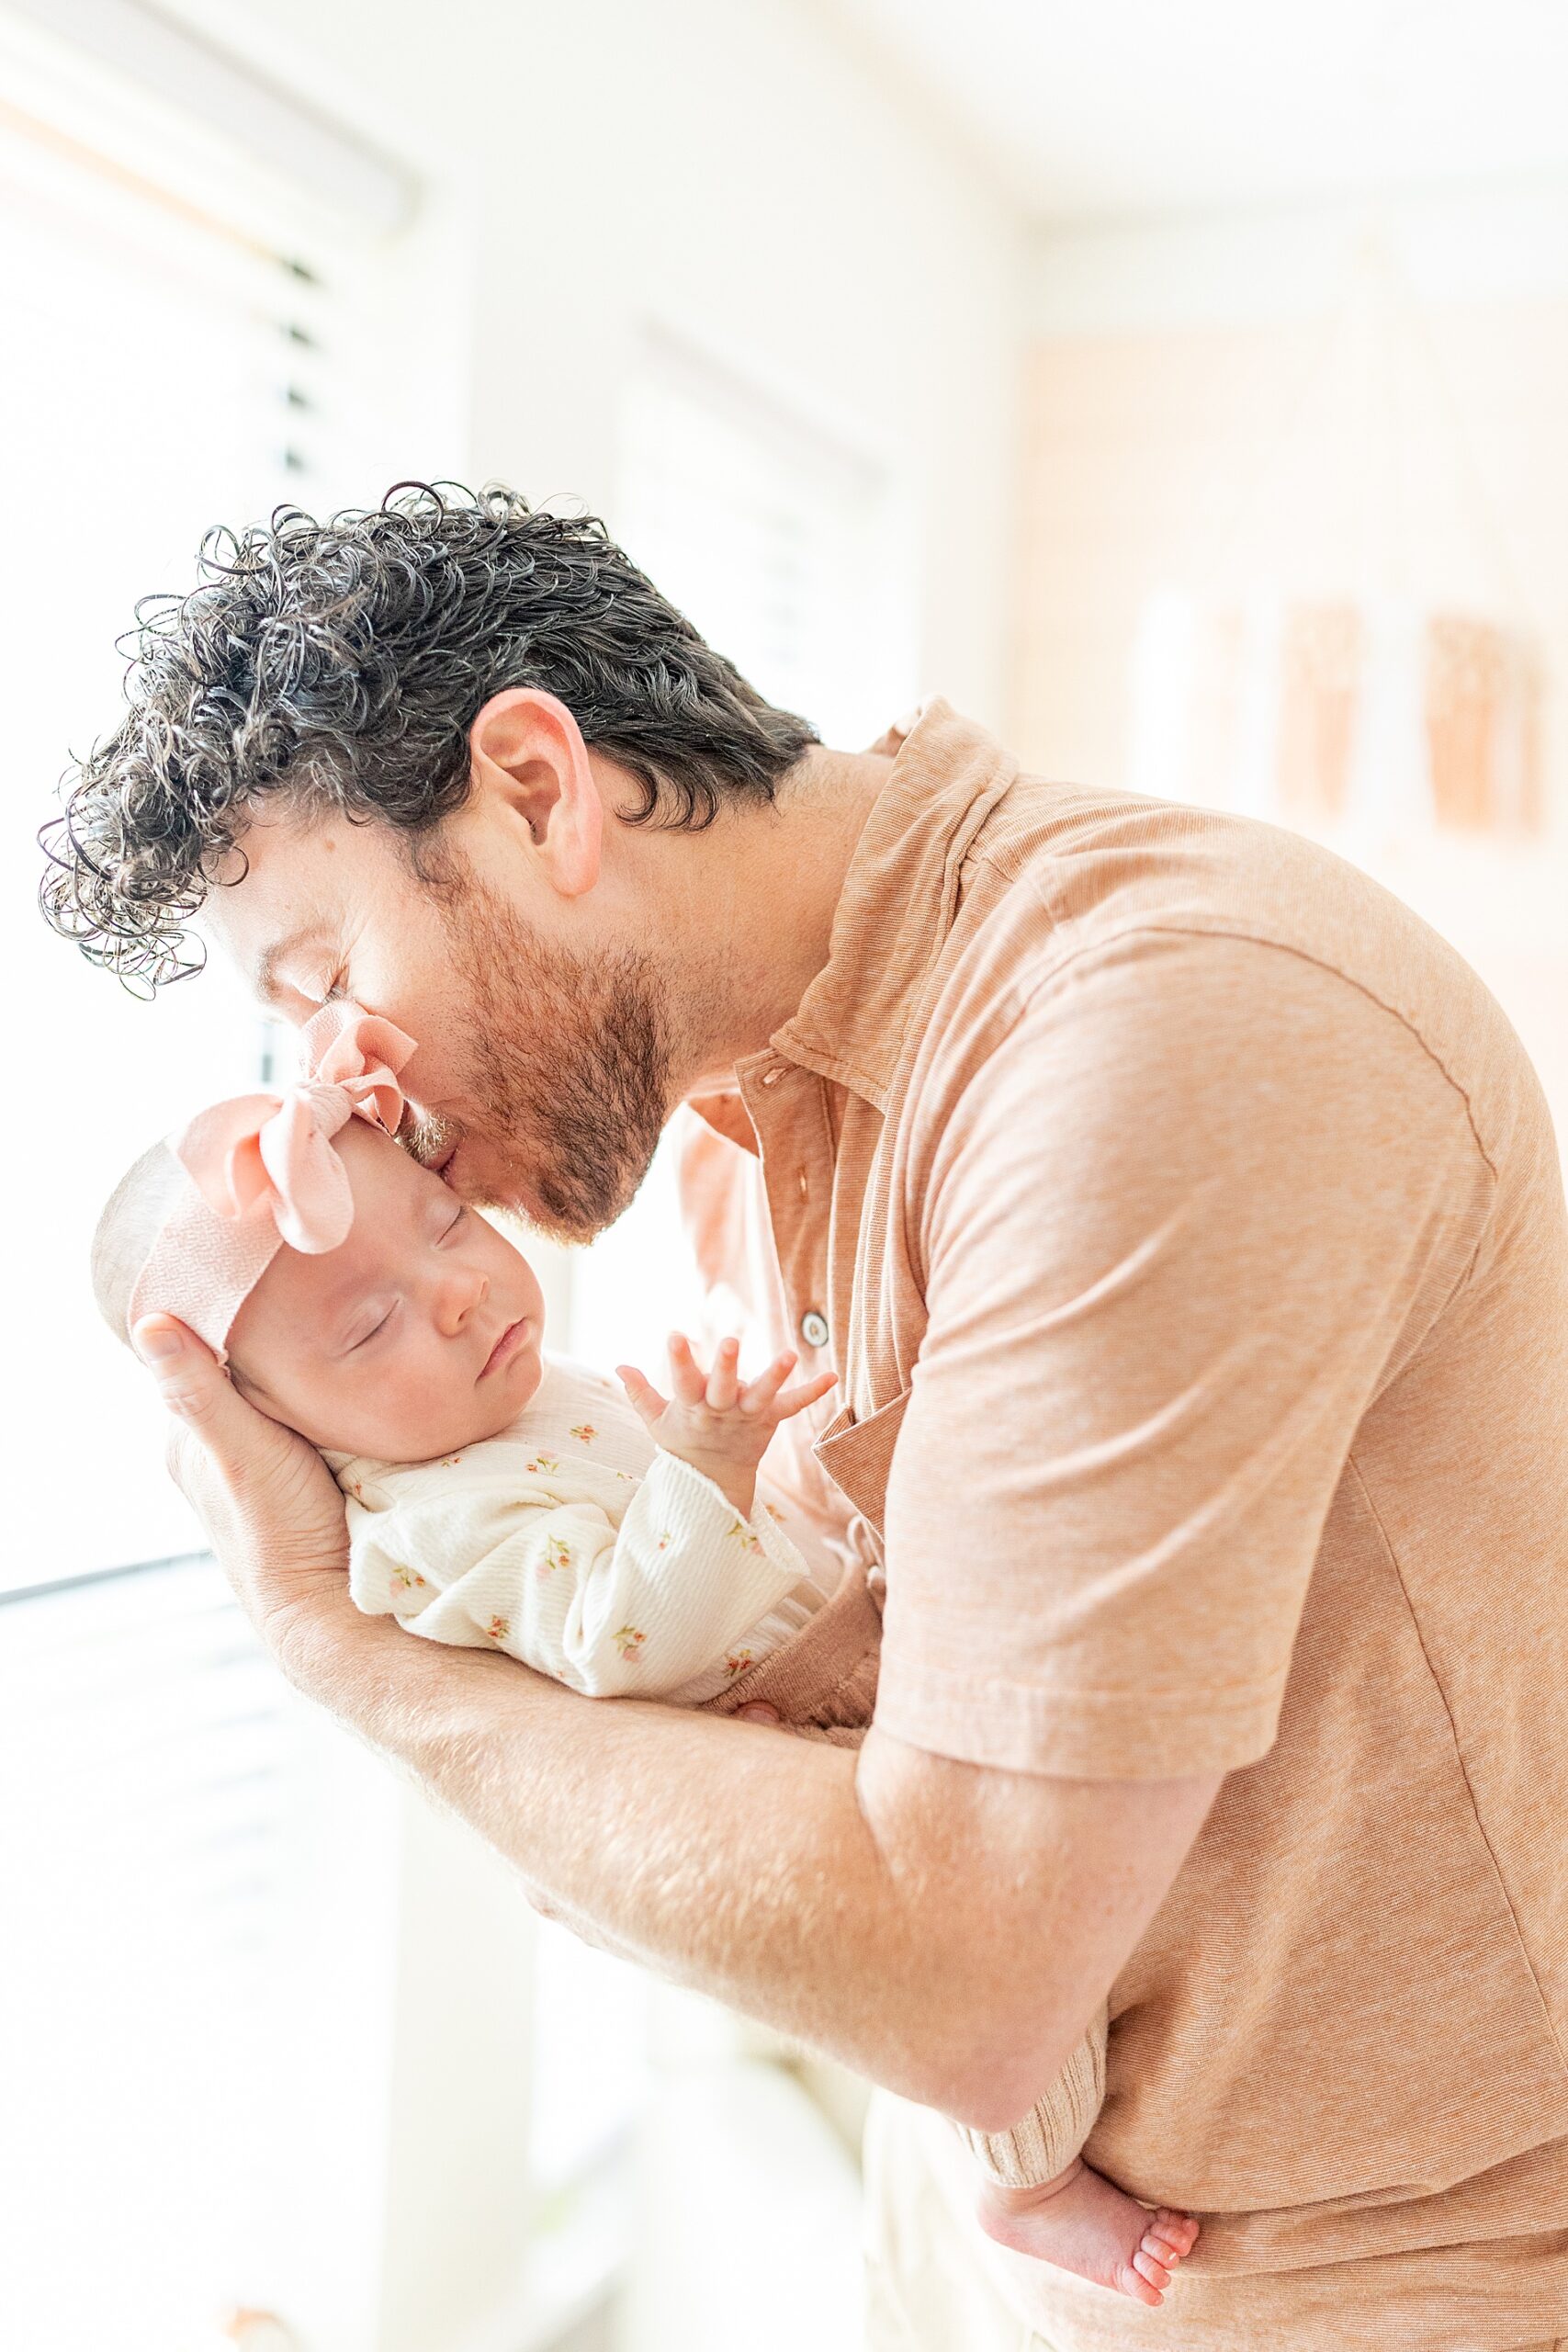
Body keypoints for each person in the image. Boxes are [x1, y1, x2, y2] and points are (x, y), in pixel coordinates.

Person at [40, 485, 1568, 2351]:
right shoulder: (755, 1123)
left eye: (324, 982)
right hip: (971, 2245)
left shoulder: (1145, 1038)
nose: (362, 1103)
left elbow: (951, 1968)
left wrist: (332, 1642)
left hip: (1363, 2284)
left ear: (538, 787)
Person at [92, 999, 1201, 2306]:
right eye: (365, 1330)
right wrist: (707, 1462)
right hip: (791, 1730)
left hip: (842, 1640)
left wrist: (729, 1448)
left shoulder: (502, 1389)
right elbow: (615, 1634)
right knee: (1006, 1974)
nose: (452, 1294)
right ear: (273, 1425)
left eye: (446, 1224)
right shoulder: (423, 1529)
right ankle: (1024, 2182)